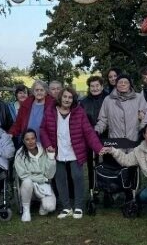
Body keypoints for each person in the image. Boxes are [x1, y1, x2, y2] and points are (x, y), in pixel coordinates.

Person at [41, 87, 103, 220]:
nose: (67, 100)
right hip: (57, 151)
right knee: (60, 179)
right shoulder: (50, 111)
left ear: (73, 100)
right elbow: (43, 129)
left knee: (77, 177)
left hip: (75, 151)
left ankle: (79, 206)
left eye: (70, 97)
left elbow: (88, 132)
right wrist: (48, 145)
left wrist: (99, 148)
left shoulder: (79, 112)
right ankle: (66, 207)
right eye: (65, 97)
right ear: (60, 97)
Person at [13, 128, 57, 222]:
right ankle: (26, 211)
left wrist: (51, 157)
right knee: (27, 182)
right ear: (23, 141)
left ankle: (43, 205)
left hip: (43, 186)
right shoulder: (20, 154)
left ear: (36, 139)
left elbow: (49, 175)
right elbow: (23, 175)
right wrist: (42, 178)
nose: (30, 142)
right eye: (27, 139)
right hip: (29, 187)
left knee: (50, 207)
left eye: (32, 138)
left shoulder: (44, 150)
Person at [95, 74, 147, 145]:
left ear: (130, 85)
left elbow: (146, 117)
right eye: (120, 82)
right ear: (116, 85)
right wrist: (96, 131)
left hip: (135, 142)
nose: (123, 84)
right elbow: (103, 120)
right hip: (115, 143)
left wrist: (143, 131)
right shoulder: (108, 100)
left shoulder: (139, 98)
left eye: (126, 82)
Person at [80, 75, 108, 190]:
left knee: (107, 162)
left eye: (97, 85)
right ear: (89, 87)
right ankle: (93, 188)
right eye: (92, 86)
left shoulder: (108, 99)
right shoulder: (83, 102)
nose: (95, 88)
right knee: (92, 164)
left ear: (102, 86)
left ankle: (107, 189)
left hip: (107, 135)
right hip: (90, 136)